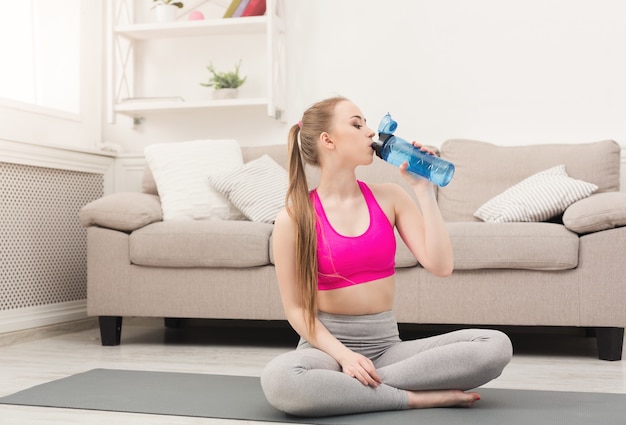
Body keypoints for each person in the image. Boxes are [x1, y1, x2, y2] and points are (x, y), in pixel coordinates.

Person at [261, 96, 512, 417]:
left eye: (366, 123)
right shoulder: (294, 218)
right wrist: (345, 358)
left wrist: (425, 191)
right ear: (328, 140)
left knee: (495, 345)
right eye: (356, 124)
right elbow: (296, 309)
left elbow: (441, 265)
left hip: (387, 349)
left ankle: (343, 389)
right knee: (280, 379)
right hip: (325, 351)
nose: (369, 132)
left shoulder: (391, 197)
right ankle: (409, 397)